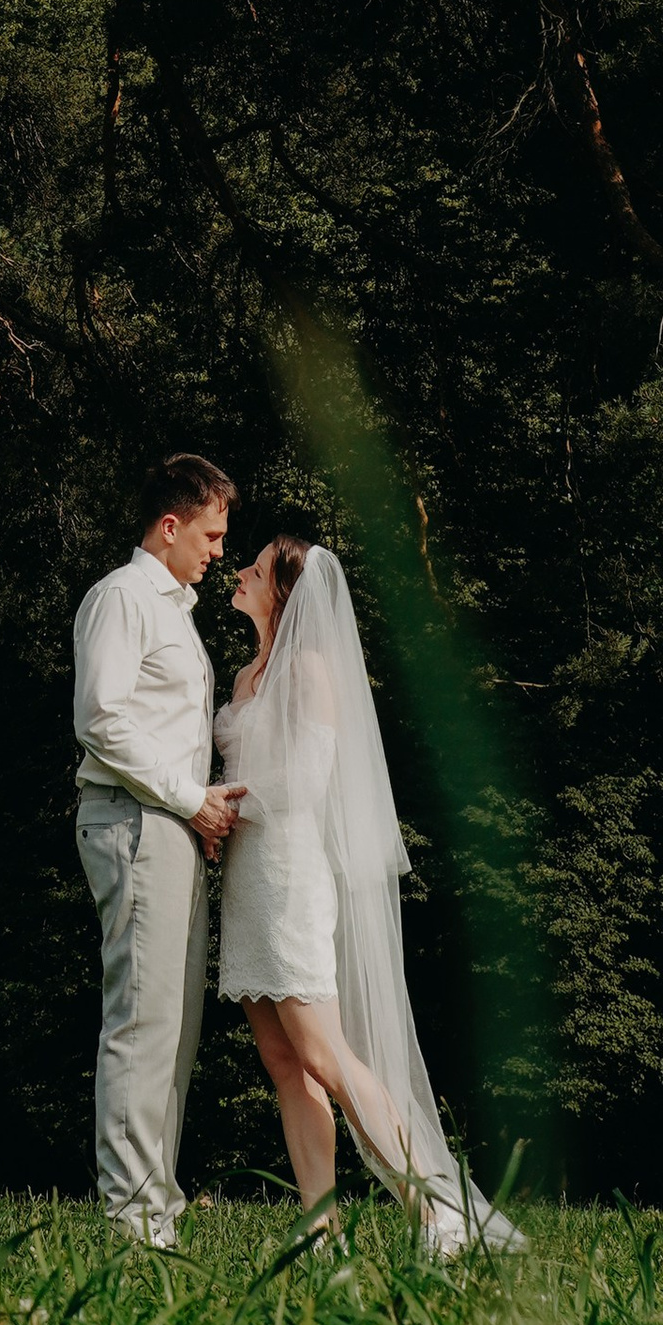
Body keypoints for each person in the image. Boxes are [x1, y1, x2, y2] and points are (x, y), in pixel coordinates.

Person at [214, 531, 522, 1256]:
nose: (240, 572)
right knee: (284, 1063)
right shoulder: (246, 674)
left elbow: (305, 782)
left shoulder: (309, 671)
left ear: (284, 594)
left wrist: (226, 802)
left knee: (326, 1055)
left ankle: (438, 1211)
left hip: (290, 876)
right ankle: (320, 1230)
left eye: (256, 569)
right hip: (246, 882)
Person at [71, 453, 247, 1245]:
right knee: (143, 1022)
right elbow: (101, 720)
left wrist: (196, 812)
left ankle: (157, 1206)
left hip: (166, 825)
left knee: (173, 1026)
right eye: (210, 535)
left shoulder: (175, 611)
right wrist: (188, 800)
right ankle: (135, 1221)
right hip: (133, 822)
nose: (219, 551)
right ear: (169, 526)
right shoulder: (122, 597)